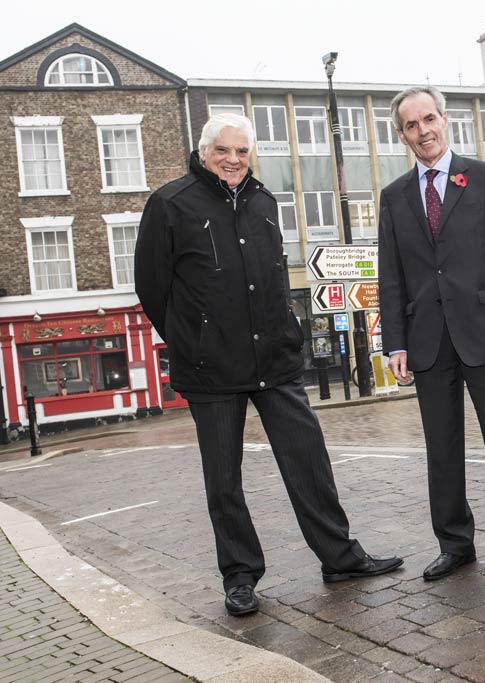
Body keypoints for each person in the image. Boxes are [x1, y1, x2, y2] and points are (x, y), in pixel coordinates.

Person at [135, 113, 402, 616]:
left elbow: (275, 275)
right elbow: (152, 288)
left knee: (309, 461)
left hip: (274, 358)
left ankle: (340, 556)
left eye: (241, 151)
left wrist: (286, 329)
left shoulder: (262, 201)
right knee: (224, 480)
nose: (233, 160)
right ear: (203, 150)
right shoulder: (170, 204)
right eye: (223, 151)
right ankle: (240, 577)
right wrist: (194, 340)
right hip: (211, 369)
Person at [377, 86, 485, 580]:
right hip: (428, 340)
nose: (422, 130)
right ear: (401, 134)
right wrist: (396, 341)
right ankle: (455, 543)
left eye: (429, 119)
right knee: (441, 448)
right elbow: (391, 274)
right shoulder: (394, 197)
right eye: (411, 124)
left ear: (445, 121)